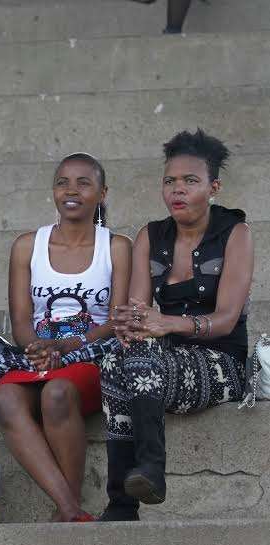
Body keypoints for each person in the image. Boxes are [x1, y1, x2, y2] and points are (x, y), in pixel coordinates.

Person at [100, 129, 252, 521]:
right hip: (161, 360)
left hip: (221, 362)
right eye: (170, 181)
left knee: (137, 357)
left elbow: (226, 319)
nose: (177, 190)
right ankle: (124, 497)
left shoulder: (235, 233)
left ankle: (146, 474)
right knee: (117, 360)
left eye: (190, 181)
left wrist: (166, 323)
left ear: (213, 187)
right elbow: (139, 314)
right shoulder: (151, 235)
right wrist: (128, 322)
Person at [0, 154, 132, 523]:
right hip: (37, 356)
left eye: (84, 183)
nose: (71, 190)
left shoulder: (115, 247)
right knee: (4, 397)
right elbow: (21, 321)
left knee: (56, 394)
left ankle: (66, 508)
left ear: (102, 193)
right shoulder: (26, 246)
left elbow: (116, 321)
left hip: (92, 356)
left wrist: (70, 345)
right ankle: (69, 509)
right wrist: (37, 347)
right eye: (62, 182)